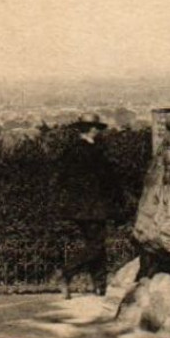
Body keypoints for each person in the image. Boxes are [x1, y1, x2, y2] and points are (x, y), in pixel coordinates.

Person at [55, 117, 121, 298]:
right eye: (97, 129)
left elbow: (62, 179)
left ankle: (99, 286)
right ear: (91, 130)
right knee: (96, 245)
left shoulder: (70, 151)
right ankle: (66, 273)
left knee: (95, 244)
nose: (99, 132)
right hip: (94, 206)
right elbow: (107, 180)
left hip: (77, 207)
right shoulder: (94, 152)